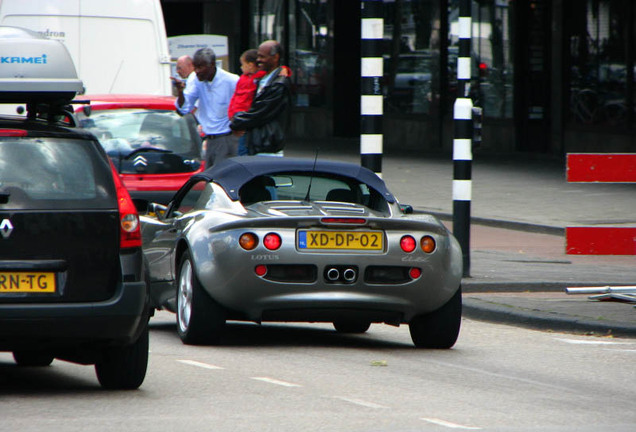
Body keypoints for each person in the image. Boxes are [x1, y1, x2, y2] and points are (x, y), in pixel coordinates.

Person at [175, 47, 239, 168]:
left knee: (221, 178)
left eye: (201, 67)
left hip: (226, 137)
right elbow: (184, 108)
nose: (197, 71)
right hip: (209, 139)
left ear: (212, 65)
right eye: (195, 67)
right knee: (210, 179)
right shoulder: (195, 79)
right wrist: (180, 91)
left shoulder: (231, 80)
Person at [229, 40, 292, 156]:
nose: (258, 60)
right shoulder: (262, 78)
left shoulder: (279, 84)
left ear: (275, 57)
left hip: (267, 144)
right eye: (258, 56)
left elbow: (261, 112)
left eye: (262, 57)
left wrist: (237, 121)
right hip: (256, 143)